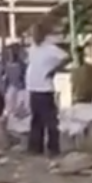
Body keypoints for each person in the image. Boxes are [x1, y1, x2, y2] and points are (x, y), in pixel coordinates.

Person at [24, 25, 69, 156]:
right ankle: (35, 147)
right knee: (36, 120)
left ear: (43, 35)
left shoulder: (50, 48)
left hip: (45, 90)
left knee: (50, 120)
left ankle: (53, 148)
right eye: (33, 34)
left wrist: (54, 70)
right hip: (33, 88)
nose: (35, 37)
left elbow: (67, 57)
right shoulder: (32, 49)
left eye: (37, 34)